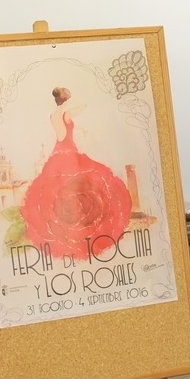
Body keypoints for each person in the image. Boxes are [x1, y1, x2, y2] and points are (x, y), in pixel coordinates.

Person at [21, 86, 131, 259]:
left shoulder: (59, 114)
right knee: (71, 182)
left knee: (68, 183)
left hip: (64, 147)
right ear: (63, 98)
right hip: (66, 147)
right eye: (67, 94)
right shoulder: (62, 114)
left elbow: (70, 120)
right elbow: (64, 131)